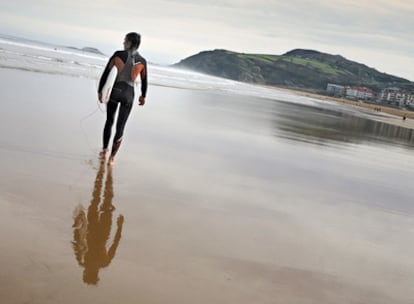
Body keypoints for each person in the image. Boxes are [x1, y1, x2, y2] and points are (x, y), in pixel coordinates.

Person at [98, 32, 148, 165]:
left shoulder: (118, 55)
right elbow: (144, 81)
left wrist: (100, 91)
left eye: (125, 41)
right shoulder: (142, 61)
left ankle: (104, 151)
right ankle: (112, 158)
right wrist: (143, 96)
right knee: (121, 127)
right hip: (128, 95)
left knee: (109, 121)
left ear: (130, 42)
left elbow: (106, 73)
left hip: (114, 92)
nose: (123, 43)